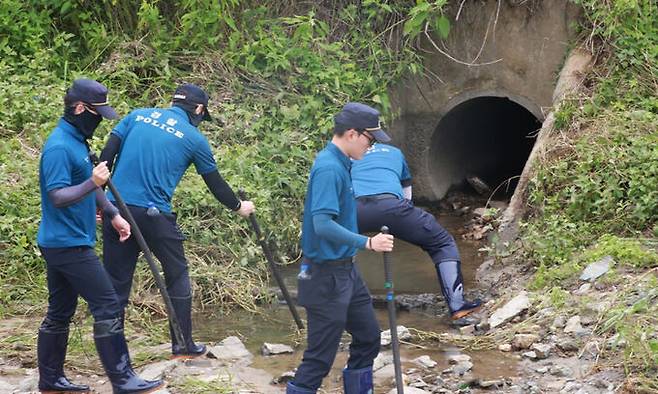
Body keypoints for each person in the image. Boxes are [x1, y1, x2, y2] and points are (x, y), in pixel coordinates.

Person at [99, 83, 255, 359]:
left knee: (117, 282)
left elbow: (105, 160)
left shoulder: (136, 116)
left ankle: (114, 355)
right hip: (154, 216)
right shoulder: (194, 139)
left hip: (117, 211)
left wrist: (101, 201)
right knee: (177, 273)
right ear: (198, 109)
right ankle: (183, 346)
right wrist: (239, 206)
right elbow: (216, 185)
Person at [37, 78, 163, 393]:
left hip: (66, 240)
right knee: (107, 304)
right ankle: (123, 379)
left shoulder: (77, 141)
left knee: (60, 311)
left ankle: (50, 380)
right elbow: (58, 197)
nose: (99, 120)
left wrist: (113, 214)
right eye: (97, 112)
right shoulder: (58, 147)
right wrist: (93, 182)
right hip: (67, 244)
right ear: (80, 108)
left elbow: (88, 185)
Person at [287, 102, 394, 394]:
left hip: (347, 271)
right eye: (369, 140)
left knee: (369, 337)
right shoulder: (328, 168)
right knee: (320, 358)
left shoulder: (343, 163)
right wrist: (368, 243)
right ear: (351, 133)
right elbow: (322, 224)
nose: (370, 147)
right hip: (324, 277)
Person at [351, 143, 482, 322]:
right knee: (442, 243)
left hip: (354, 209)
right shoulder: (395, 152)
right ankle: (457, 305)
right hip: (393, 207)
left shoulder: (349, 153)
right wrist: (404, 222)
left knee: (338, 243)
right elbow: (407, 195)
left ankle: (333, 302)